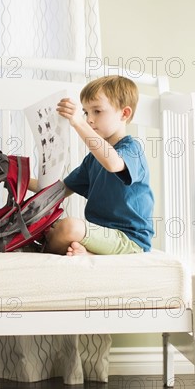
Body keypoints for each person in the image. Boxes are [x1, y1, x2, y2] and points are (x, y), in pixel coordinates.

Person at [31, 75, 154, 256]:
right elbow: (58, 191)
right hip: (98, 235)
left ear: (124, 114)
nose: (89, 119)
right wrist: (20, 178)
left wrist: (78, 122)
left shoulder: (132, 150)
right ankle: (89, 253)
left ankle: (52, 251)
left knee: (68, 227)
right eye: (86, 113)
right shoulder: (93, 160)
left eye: (97, 111)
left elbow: (112, 163)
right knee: (51, 224)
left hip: (129, 240)